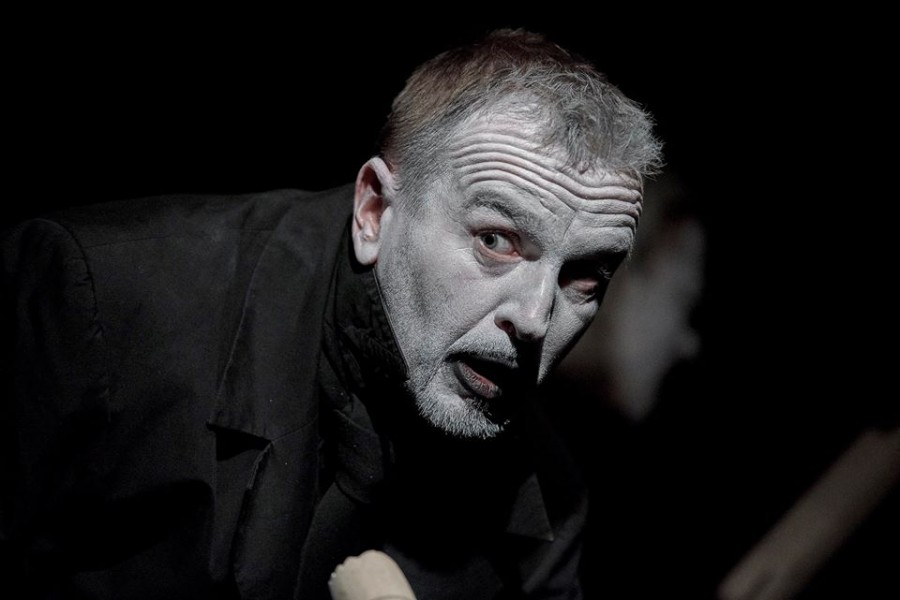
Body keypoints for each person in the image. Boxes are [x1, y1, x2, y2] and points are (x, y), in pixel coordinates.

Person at [0, 28, 663, 599]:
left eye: (583, 278)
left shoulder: (548, 507)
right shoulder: (100, 303)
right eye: (496, 240)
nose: (537, 317)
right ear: (374, 211)